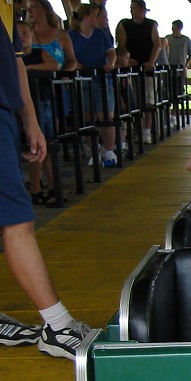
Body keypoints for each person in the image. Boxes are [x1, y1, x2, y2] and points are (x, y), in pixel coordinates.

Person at [0, 11, 91, 359]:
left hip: (6, 110)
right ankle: (55, 325)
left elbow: (16, 63)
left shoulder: (6, 11)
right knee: (17, 218)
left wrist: (30, 121)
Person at [69, 3, 117, 167]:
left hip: (102, 78)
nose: (99, 19)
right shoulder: (72, 35)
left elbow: (111, 51)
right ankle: (93, 149)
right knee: (88, 117)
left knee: (107, 116)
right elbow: (69, 55)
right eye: (96, 15)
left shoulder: (100, 34)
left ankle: (109, 151)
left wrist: (110, 62)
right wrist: (77, 65)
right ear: (87, 17)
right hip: (83, 79)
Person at [19, 20, 58, 206]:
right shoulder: (12, 56)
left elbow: (55, 65)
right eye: (18, 35)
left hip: (43, 104)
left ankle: (53, 187)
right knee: (32, 150)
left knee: (49, 148)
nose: (22, 38)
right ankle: (36, 188)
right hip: (24, 109)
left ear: (32, 36)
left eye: (25, 34)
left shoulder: (37, 53)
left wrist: (29, 69)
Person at [115, 0, 159, 143]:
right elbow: (122, 45)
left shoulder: (151, 24)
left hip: (147, 65)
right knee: (131, 99)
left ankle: (146, 131)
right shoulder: (125, 24)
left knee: (148, 99)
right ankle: (133, 130)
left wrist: (151, 62)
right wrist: (127, 60)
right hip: (130, 67)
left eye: (133, 8)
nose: (131, 11)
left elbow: (157, 44)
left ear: (141, 9)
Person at [27, 0, 77, 71]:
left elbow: (72, 61)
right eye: (28, 8)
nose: (29, 11)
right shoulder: (26, 34)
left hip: (57, 80)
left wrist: (65, 75)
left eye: (33, 7)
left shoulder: (61, 35)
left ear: (45, 9)